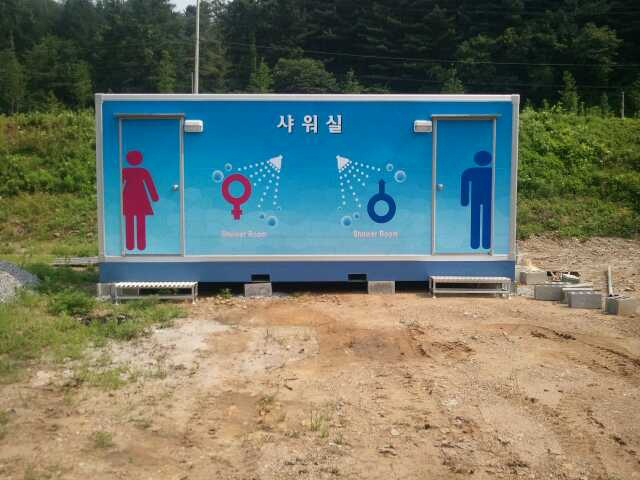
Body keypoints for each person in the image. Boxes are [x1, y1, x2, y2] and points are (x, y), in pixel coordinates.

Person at [122, 150, 158, 251]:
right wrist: (154, 197)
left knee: (129, 222)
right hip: (141, 198)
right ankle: (141, 246)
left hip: (128, 197)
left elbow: (119, 185)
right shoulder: (143, 171)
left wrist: (116, 198)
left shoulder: (124, 171)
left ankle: (129, 246)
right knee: (141, 222)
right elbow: (149, 184)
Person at [461, 150, 492, 250]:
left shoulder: (470, 171)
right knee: (487, 220)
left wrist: (464, 201)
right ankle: (486, 244)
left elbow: (464, 186)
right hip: (488, 198)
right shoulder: (491, 172)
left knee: (475, 220)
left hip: (476, 198)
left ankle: (475, 244)